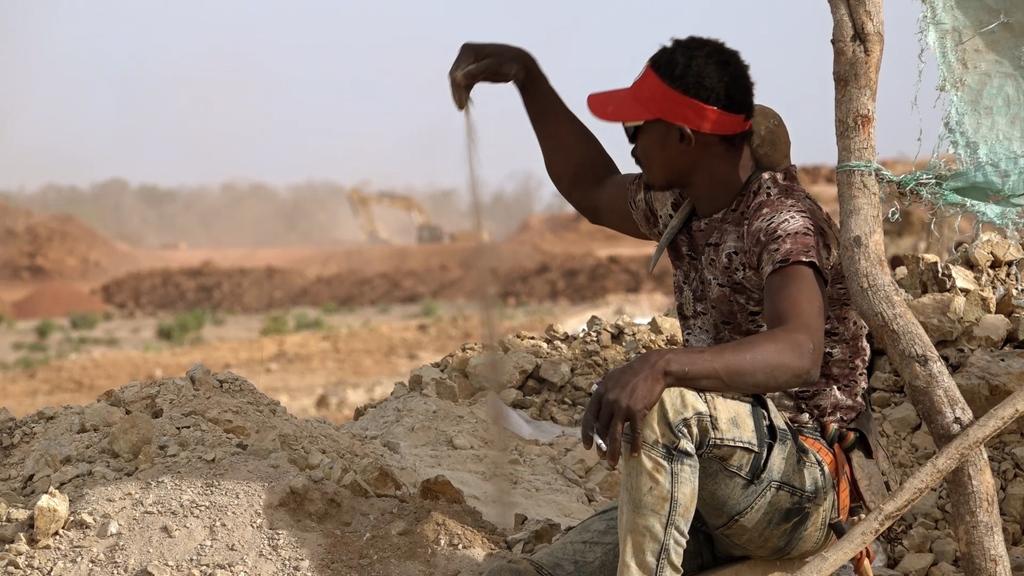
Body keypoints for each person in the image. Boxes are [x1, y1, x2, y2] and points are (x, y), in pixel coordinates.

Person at [449, 37, 878, 576]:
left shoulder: (781, 220)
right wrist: (527, 76)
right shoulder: (684, 208)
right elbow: (591, 187)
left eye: (637, 129)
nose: (630, 145)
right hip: (710, 488)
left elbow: (800, 351)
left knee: (669, 404)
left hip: (800, 488)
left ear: (683, 135)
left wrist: (663, 364)